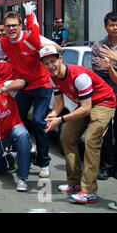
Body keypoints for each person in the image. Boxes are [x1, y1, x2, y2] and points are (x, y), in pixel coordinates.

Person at [0, 9, 54, 178]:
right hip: (22, 86)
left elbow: (58, 48)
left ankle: (44, 162)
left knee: (39, 121)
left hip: (41, 84)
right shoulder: (3, 43)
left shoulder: (30, 37)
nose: (11, 29)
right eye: (8, 26)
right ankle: (20, 155)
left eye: (14, 26)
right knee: (16, 123)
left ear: (21, 26)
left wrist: (45, 48)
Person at [41, 45, 116, 204]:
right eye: (46, 63)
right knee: (66, 137)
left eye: (52, 61)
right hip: (84, 105)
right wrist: (53, 115)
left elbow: (86, 108)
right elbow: (59, 104)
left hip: (103, 102)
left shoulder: (78, 76)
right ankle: (74, 182)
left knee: (91, 141)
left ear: (60, 59)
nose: (50, 66)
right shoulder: (53, 77)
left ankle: (89, 191)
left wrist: (60, 120)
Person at [0, 68, 31, 192]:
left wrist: (1, 90)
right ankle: (12, 158)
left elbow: (24, 82)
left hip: (13, 129)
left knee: (22, 134)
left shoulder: (6, 88)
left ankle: (22, 178)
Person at [91, 11, 117, 181]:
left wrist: (113, 62)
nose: (115, 28)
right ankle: (105, 167)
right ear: (105, 27)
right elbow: (99, 70)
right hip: (106, 96)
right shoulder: (98, 46)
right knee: (104, 133)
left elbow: (108, 69)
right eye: (111, 25)